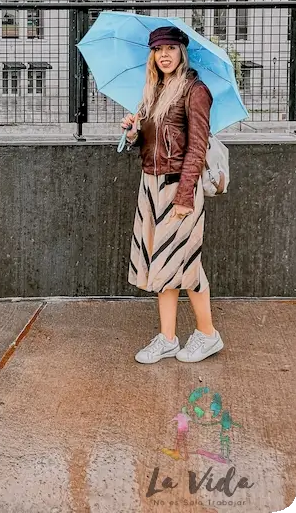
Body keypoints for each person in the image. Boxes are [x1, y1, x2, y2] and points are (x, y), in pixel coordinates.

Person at [120, 26, 224, 364]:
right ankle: (167, 338)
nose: (164, 54)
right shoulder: (154, 90)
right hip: (151, 185)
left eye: (171, 48)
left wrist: (184, 195)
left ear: (182, 52)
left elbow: (197, 147)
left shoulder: (195, 91)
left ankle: (208, 334)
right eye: (158, 49)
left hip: (181, 185)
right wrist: (135, 133)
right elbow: (150, 144)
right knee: (163, 263)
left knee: (187, 263)